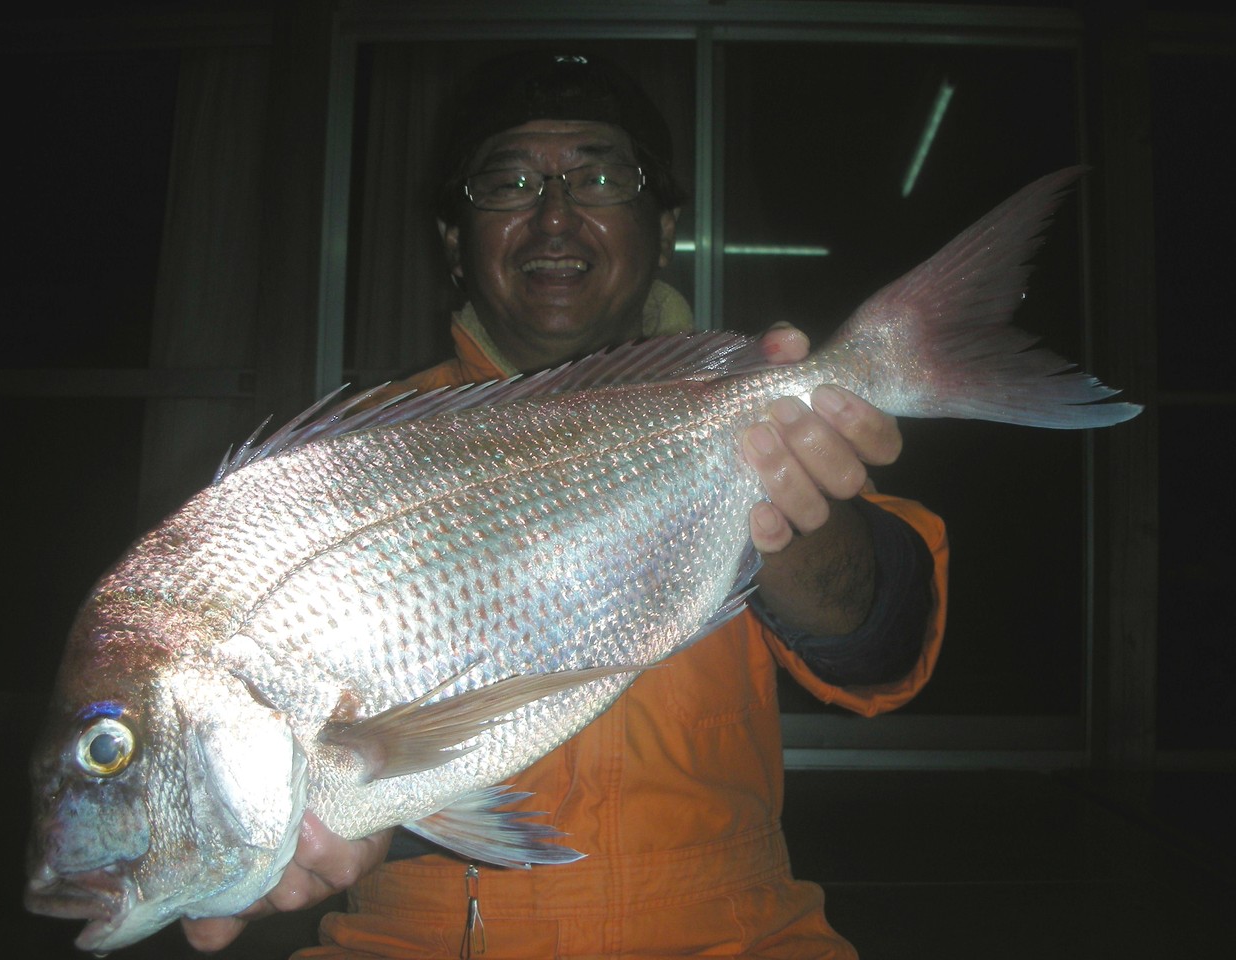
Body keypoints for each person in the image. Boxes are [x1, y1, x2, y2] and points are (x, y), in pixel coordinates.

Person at [184, 50, 948, 959]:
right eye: (507, 181)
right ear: (452, 237)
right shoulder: (348, 467)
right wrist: (287, 816)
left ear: (662, 228)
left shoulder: (749, 414)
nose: (554, 215)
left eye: (599, 176)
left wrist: (772, 493)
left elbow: (887, 642)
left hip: (736, 935)